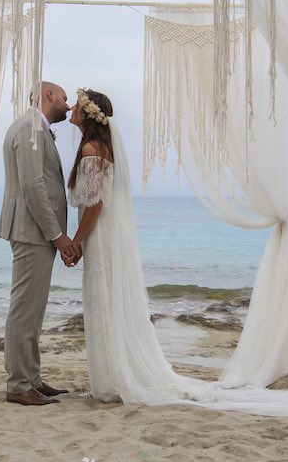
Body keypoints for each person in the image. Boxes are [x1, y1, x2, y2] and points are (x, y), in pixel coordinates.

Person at [66, 89, 216, 407]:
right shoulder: (101, 147)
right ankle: (111, 374)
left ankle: (111, 380)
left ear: (89, 115)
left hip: (101, 235)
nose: (71, 109)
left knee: (103, 299)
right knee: (107, 299)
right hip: (104, 232)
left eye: (77, 106)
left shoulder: (93, 149)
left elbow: (95, 204)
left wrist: (76, 241)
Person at [0, 81, 79, 406]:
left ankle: (31, 378)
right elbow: (33, 186)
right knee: (24, 311)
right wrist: (58, 236)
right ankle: (19, 384)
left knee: (33, 310)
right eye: (64, 98)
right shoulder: (31, 128)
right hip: (31, 231)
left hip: (33, 232)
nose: (68, 104)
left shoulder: (35, 128)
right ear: (48, 96)